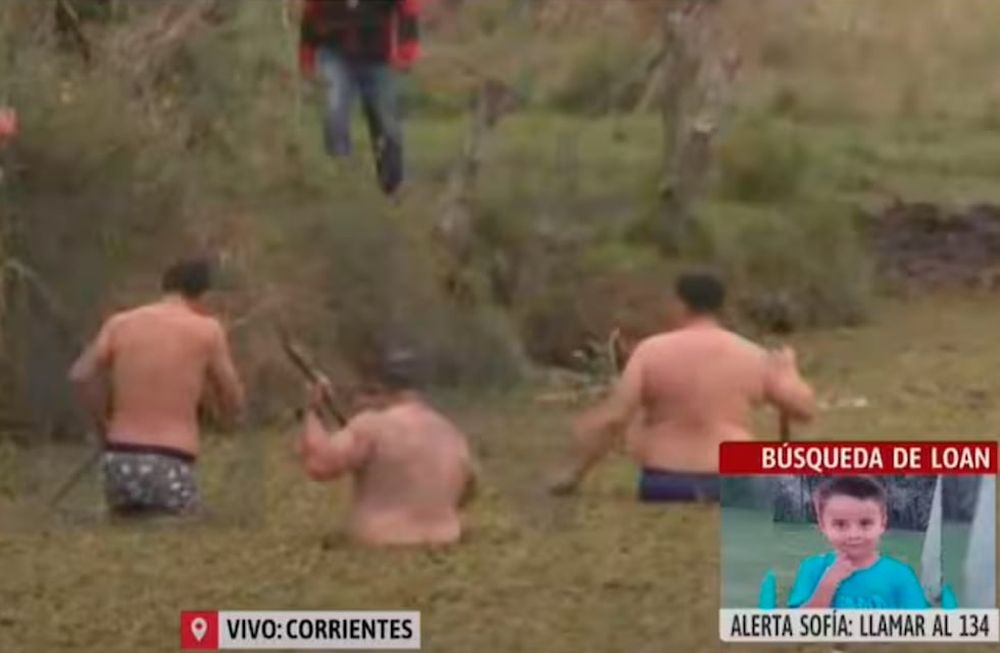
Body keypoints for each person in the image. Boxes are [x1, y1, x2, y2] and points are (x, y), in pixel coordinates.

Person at [548, 270, 816, 502]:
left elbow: (614, 419)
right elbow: (804, 410)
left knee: (640, 418)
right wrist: (788, 371)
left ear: (679, 304)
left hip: (665, 482)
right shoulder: (751, 354)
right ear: (721, 307)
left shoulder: (650, 352)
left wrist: (573, 475)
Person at [67, 258, 245, 516]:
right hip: (171, 462)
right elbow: (234, 398)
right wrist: (225, 419)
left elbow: (79, 375)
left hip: (118, 463)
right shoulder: (207, 330)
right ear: (204, 295)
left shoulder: (120, 323)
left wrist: (102, 424)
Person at [295, 347, 476, 546]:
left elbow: (319, 465)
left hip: (382, 543)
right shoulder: (451, 433)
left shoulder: (371, 426)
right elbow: (468, 491)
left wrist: (312, 411)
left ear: (378, 388)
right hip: (445, 542)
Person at [295, 0, 420, 197]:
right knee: (334, 111)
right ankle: (343, 179)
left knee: (386, 122)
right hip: (334, 54)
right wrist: (306, 61)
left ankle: (393, 186)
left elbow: (408, 9)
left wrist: (407, 50)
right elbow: (310, 15)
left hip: (378, 57)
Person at [786, 476, 930, 609]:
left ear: (882, 523)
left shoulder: (900, 575)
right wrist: (828, 584)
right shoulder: (813, 569)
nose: (854, 535)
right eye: (840, 524)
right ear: (823, 525)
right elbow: (796, 627)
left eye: (865, 523)